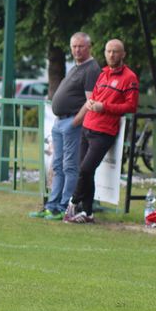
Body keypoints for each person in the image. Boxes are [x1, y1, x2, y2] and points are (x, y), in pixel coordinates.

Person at [64, 38, 138, 224]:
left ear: (123, 54)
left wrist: (103, 107)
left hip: (104, 131)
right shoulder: (103, 72)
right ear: (104, 53)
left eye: (115, 51)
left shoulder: (130, 77)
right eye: (108, 51)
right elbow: (95, 96)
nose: (112, 55)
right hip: (88, 127)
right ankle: (88, 213)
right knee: (87, 173)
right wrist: (90, 103)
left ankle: (73, 203)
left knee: (85, 169)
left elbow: (131, 106)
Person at [30, 32, 99, 220]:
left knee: (70, 166)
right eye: (74, 46)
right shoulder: (76, 67)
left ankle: (64, 206)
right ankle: (51, 205)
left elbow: (91, 100)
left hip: (71, 123)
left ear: (89, 47)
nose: (77, 50)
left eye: (81, 46)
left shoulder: (91, 68)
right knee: (58, 166)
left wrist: (75, 122)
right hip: (60, 121)